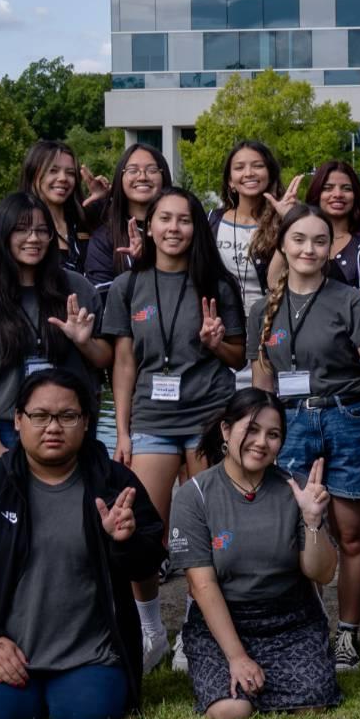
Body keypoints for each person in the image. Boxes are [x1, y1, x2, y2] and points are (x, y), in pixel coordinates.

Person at [0, 370, 165, 719]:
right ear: (19, 421)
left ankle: (79, 684)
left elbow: (148, 563)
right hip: (6, 646)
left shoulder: (115, 482)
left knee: (90, 714)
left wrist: (124, 541)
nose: (53, 427)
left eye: (67, 416)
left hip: (90, 651)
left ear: (86, 422)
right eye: (40, 416)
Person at [98, 185, 245, 668]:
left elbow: (237, 356)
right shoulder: (127, 287)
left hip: (207, 417)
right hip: (152, 422)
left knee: (203, 530)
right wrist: (122, 431)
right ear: (149, 226)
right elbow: (122, 364)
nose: (174, 228)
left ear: (196, 228)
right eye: (165, 219)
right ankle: (149, 628)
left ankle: (193, 629)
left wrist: (214, 342)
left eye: (184, 220)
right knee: (142, 529)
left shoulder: (217, 285)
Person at [249, 203, 360, 673]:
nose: (309, 249)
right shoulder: (262, 308)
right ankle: (307, 628)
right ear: (283, 245)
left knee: (353, 536)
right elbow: (261, 382)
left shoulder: (349, 300)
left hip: (348, 420)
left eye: (319, 240)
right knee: (296, 532)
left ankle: (348, 636)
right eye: (299, 239)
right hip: (290, 425)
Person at [168, 390, 341, 719]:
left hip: (291, 622)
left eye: (273, 434)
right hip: (223, 624)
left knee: (310, 704)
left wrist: (312, 520)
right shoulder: (195, 496)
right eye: (251, 430)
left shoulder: (296, 488)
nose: (261, 442)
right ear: (226, 430)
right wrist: (236, 657)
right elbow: (202, 586)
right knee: (230, 711)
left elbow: (322, 574)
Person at [0, 193, 109, 461]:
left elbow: (104, 358)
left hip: (71, 427)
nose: (33, 238)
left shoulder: (78, 288)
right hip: (7, 431)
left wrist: (83, 342)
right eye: (21, 230)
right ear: (2, 235)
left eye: (42, 231)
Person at [206, 139, 287, 323]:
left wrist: (290, 221)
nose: (249, 173)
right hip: (221, 322)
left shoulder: (283, 221)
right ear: (230, 181)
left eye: (258, 166)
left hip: (270, 320)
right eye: (239, 167)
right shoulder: (211, 220)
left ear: (270, 174)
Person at [82, 141, 172, 301]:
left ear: (163, 175)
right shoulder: (105, 237)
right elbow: (103, 300)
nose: (143, 177)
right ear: (120, 178)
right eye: (133, 170)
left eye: (152, 170)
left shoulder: (179, 229)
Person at [301, 159, 360, 294]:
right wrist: (287, 224)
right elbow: (274, 282)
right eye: (328, 188)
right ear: (316, 194)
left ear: (355, 195)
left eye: (346, 188)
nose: (337, 194)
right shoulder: (300, 239)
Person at [19, 139, 105, 274]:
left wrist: (105, 200)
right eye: (53, 171)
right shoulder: (17, 224)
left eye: (70, 173)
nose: (63, 178)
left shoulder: (86, 219)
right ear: (33, 173)